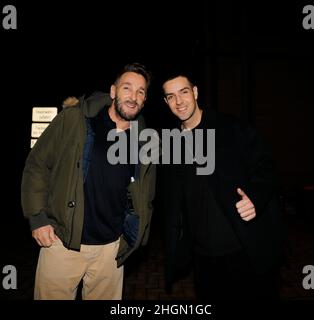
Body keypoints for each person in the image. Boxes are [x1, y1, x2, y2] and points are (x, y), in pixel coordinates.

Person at [21, 62, 156, 300]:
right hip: (62, 243)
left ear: (144, 100)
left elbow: (144, 193)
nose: (133, 96)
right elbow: (37, 164)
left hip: (111, 251)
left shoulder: (145, 142)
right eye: (127, 88)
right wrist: (38, 218)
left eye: (141, 92)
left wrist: (134, 234)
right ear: (113, 92)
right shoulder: (75, 120)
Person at [160, 70, 284, 300]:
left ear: (195, 92)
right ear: (166, 102)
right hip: (203, 259)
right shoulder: (171, 145)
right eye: (171, 96)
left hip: (240, 250)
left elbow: (266, 166)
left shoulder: (231, 128)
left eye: (183, 92)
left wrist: (255, 197)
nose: (179, 101)